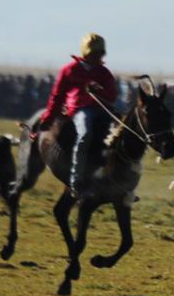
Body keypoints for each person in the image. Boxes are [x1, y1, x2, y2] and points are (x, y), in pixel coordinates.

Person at [37, 33, 118, 199]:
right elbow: (57, 96)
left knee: (120, 137)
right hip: (80, 109)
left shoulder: (104, 73)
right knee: (85, 134)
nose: (97, 56)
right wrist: (48, 119)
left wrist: (100, 90)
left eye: (100, 53)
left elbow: (112, 95)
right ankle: (76, 181)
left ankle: (117, 181)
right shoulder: (70, 70)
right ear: (86, 52)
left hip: (102, 109)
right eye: (94, 53)